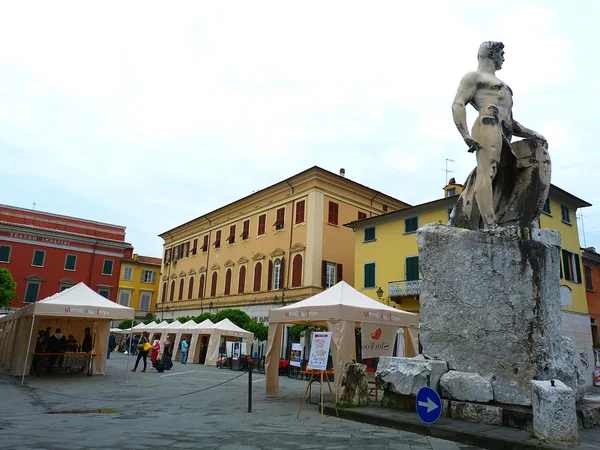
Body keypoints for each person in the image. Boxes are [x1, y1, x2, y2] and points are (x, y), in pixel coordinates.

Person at [450, 41, 546, 230]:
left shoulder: (504, 86)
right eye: (501, 54)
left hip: (504, 131)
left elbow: (511, 122)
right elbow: (458, 103)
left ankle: (503, 217)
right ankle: (490, 225)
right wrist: (465, 134)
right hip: (487, 122)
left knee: (505, 178)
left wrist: (533, 134)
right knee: (488, 171)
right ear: (491, 53)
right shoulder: (474, 77)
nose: (504, 58)